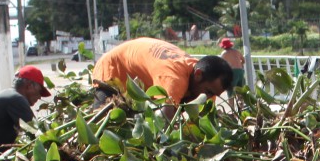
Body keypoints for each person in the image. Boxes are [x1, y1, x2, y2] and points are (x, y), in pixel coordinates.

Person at [91, 37, 232, 112]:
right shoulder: (173, 78)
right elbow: (164, 119)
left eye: (212, 95)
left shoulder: (202, 77)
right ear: (198, 75)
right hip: (114, 69)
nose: (207, 98)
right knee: (103, 117)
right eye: (208, 92)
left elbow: (200, 118)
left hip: (141, 81)